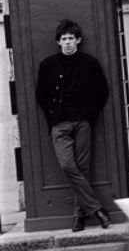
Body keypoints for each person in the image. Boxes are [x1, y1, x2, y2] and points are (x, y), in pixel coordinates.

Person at [36, 19, 110, 232]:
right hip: (59, 124)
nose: (67, 42)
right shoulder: (48, 65)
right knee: (68, 166)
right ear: (58, 42)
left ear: (78, 40)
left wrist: (88, 117)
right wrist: (52, 117)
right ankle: (96, 209)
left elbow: (102, 91)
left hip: (82, 123)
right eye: (64, 39)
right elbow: (41, 95)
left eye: (71, 38)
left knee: (83, 168)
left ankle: (79, 217)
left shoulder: (90, 63)